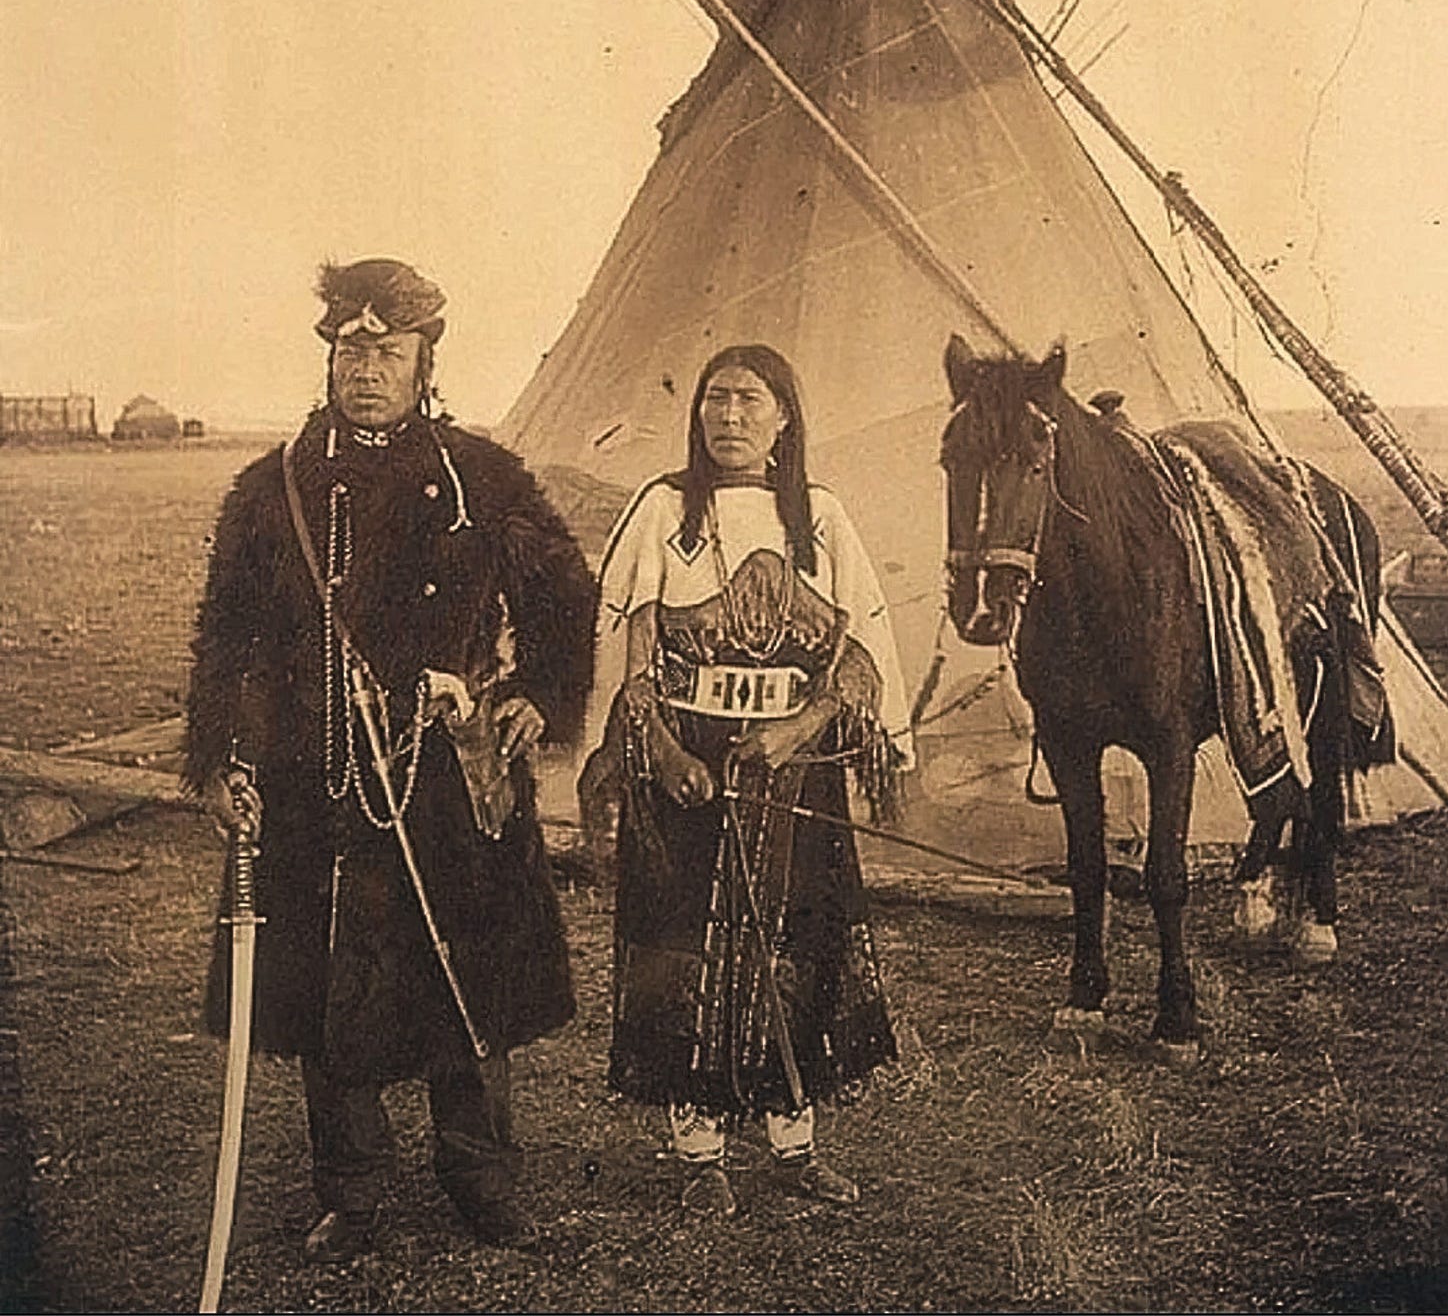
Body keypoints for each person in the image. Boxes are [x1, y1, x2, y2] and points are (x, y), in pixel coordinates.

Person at [185, 258, 595, 1260]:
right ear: (329, 357)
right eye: (349, 349)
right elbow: (229, 636)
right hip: (311, 778)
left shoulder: (478, 477)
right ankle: (353, 1189)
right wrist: (223, 760)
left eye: (388, 350)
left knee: (464, 972)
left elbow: (563, 598)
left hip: (447, 772)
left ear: (424, 361)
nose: (366, 368)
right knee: (330, 984)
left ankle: (480, 1174)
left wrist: (532, 698)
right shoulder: (271, 489)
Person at [590, 343, 912, 1217]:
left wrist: (798, 729)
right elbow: (633, 647)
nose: (729, 417)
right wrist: (662, 755)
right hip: (686, 763)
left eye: (749, 401)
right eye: (716, 400)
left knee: (795, 942)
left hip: (795, 771)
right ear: (698, 415)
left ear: (784, 418)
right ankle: (699, 1155)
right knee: (685, 946)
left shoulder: (821, 517)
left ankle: (793, 1145)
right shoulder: (663, 512)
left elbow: (859, 653)